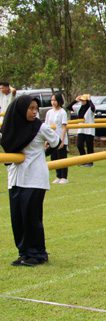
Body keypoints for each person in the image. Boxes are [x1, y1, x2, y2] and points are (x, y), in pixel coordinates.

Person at [1, 95, 61, 266]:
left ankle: (38, 253)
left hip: (34, 178)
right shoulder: (10, 127)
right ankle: (24, 253)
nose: (35, 112)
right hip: (15, 178)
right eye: (31, 108)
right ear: (21, 109)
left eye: (36, 108)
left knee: (31, 218)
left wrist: (43, 153)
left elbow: (56, 142)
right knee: (17, 219)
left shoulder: (40, 127)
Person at [45, 93, 69, 184]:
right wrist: (46, 140)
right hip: (52, 139)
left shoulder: (62, 112)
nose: (53, 102)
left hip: (60, 138)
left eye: (55, 100)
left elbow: (64, 127)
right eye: (52, 100)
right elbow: (46, 127)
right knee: (54, 158)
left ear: (59, 101)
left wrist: (62, 141)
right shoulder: (49, 112)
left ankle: (64, 177)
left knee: (62, 158)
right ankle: (58, 176)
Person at [75, 94, 96, 166]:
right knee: (79, 145)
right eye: (81, 100)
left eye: (84, 100)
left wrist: (90, 100)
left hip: (89, 129)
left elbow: (93, 108)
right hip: (81, 129)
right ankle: (83, 160)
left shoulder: (90, 108)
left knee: (89, 146)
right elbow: (69, 107)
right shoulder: (79, 108)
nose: (82, 102)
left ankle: (90, 162)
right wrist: (75, 101)